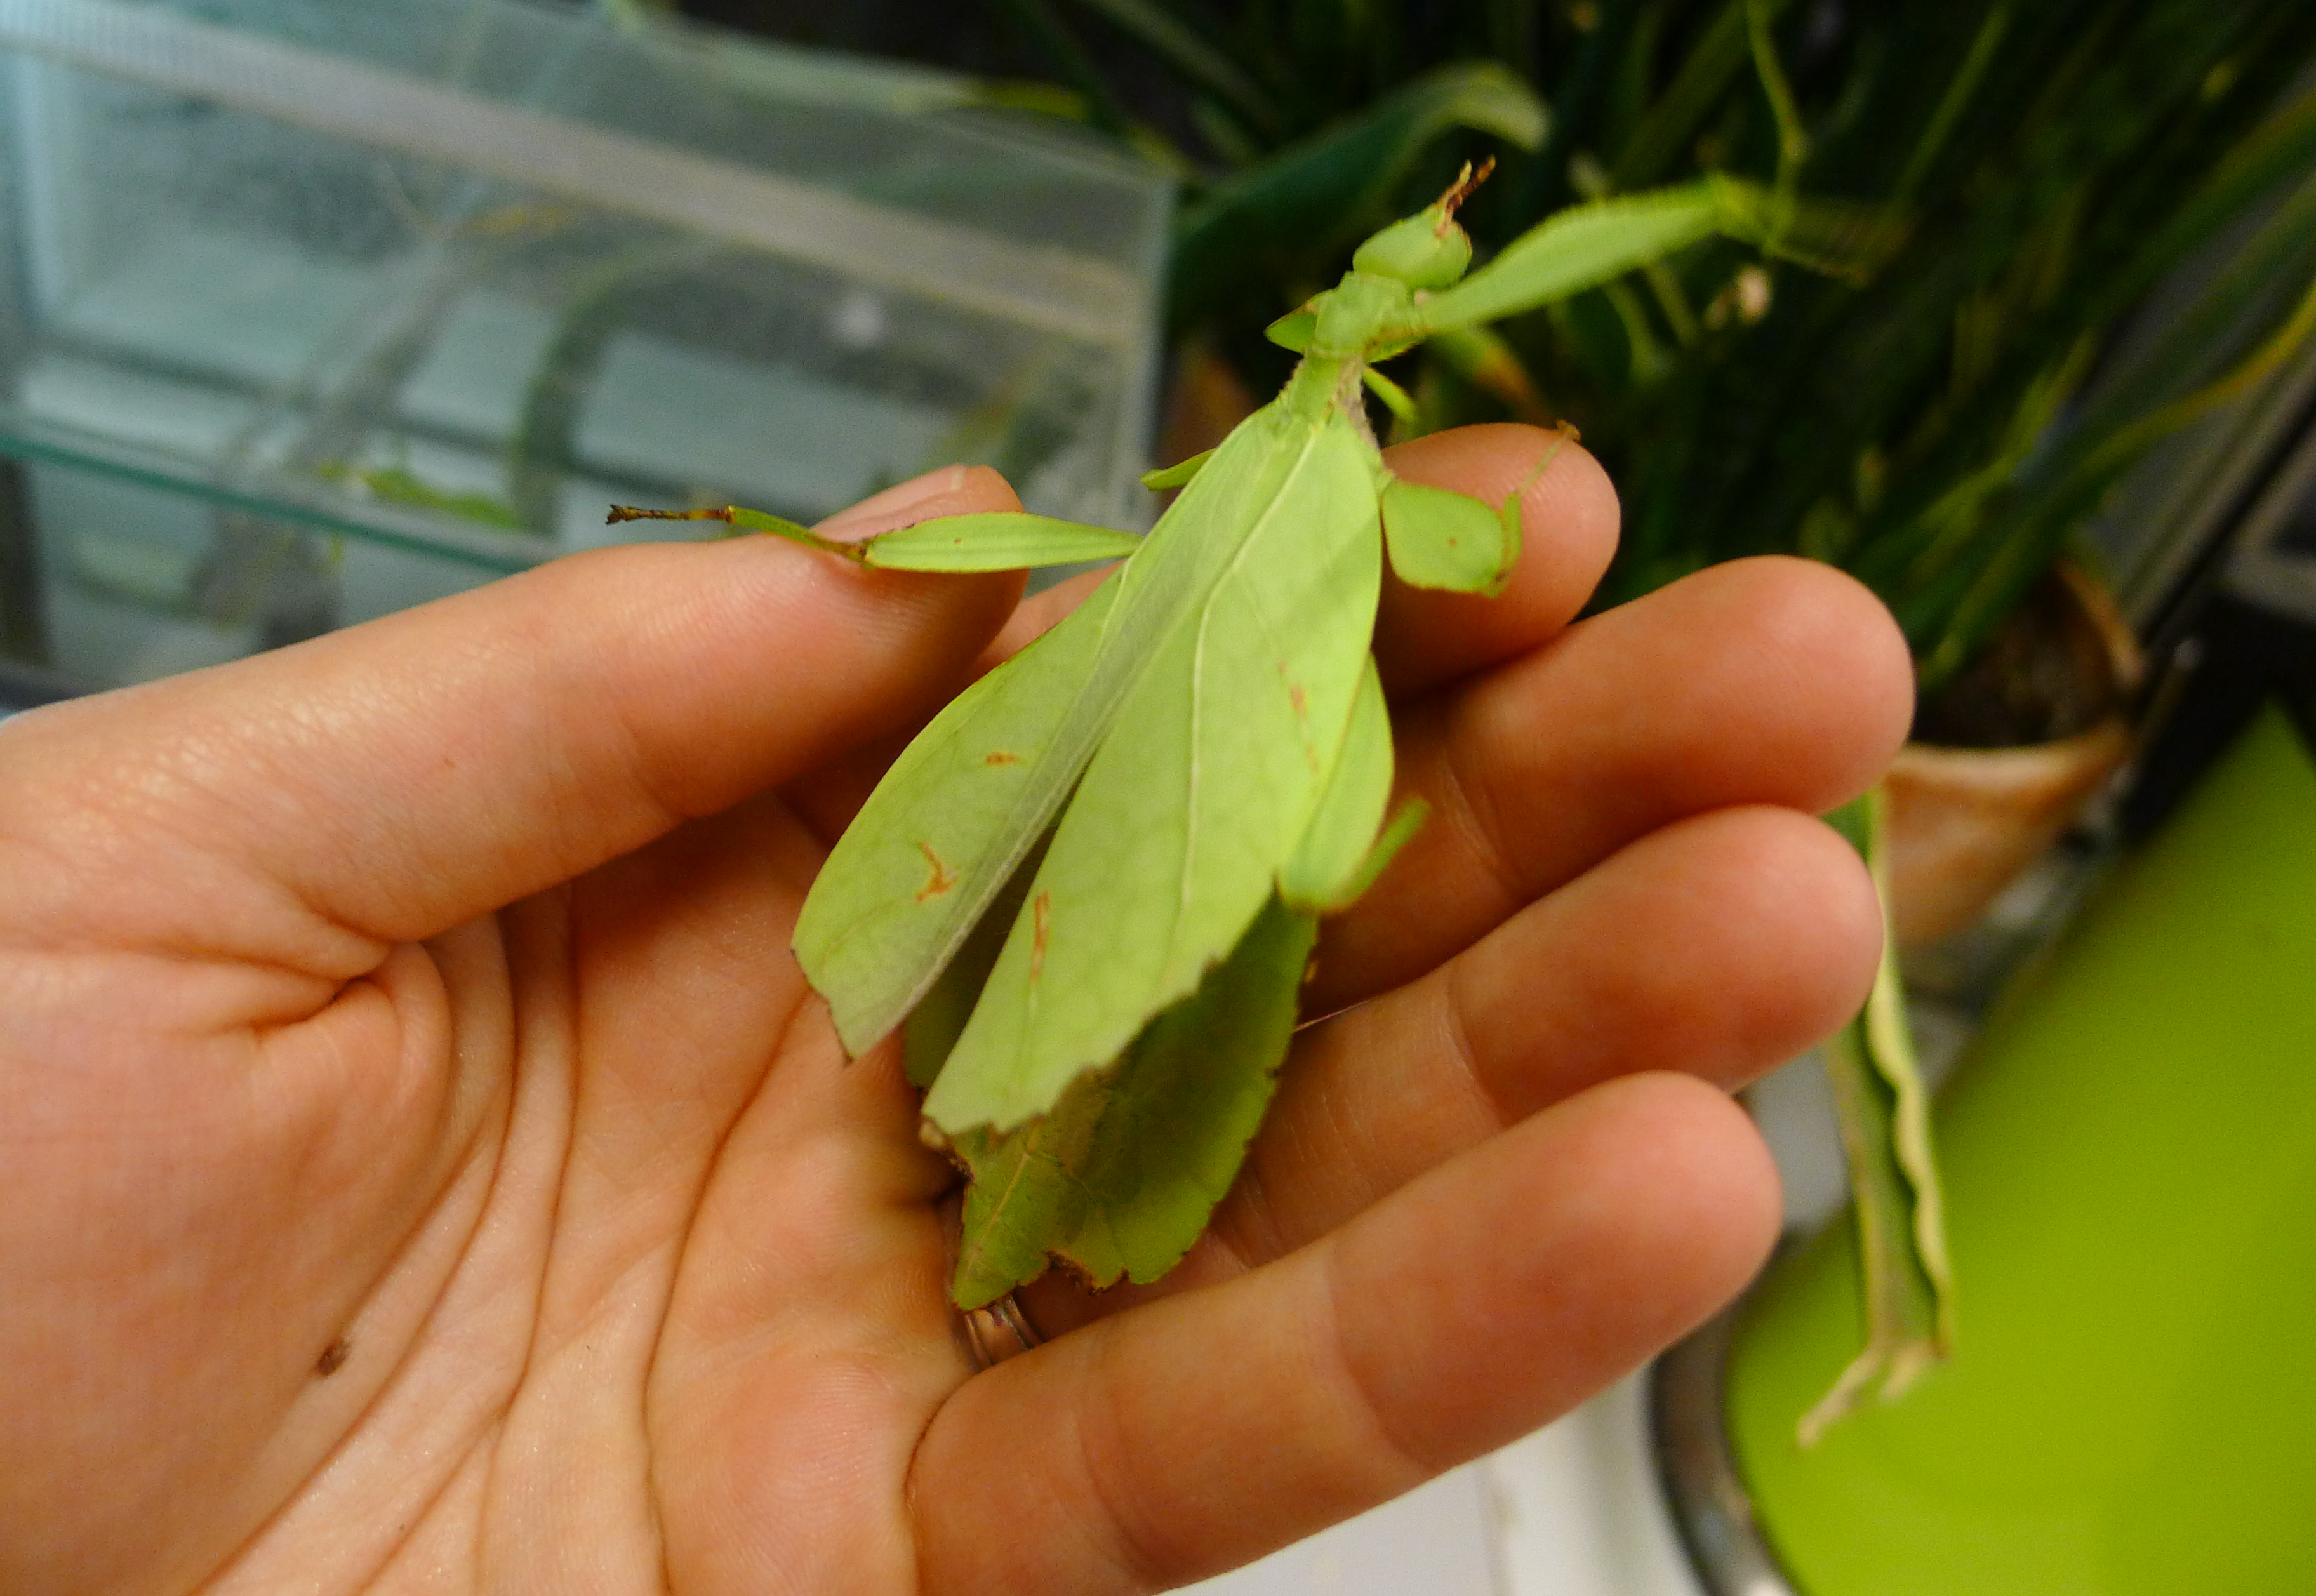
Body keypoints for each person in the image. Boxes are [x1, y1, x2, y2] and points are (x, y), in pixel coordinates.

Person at [0, 423, 1910, 1594]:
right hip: (997, 1001)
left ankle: (1060, 1133)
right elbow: (1478, 549)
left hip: (1062, 987)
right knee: (1301, 879)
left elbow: (1468, 561)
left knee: (1307, 887)